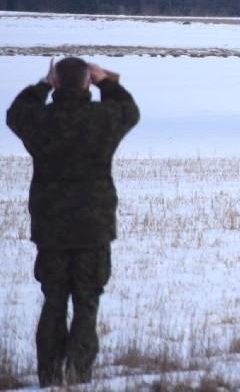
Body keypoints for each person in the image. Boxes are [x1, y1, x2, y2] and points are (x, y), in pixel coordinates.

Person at [6, 57, 140, 387]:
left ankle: (49, 377)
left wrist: (43, 84)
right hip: (93, 230)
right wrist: (105, 81)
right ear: (85, 83)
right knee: (86, 302)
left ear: (57, 82)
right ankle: (79, 375)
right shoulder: (103, 119)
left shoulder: (40, 120)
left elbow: (15, 113)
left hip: (50, 230)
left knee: (53, 302)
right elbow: (129, 110)